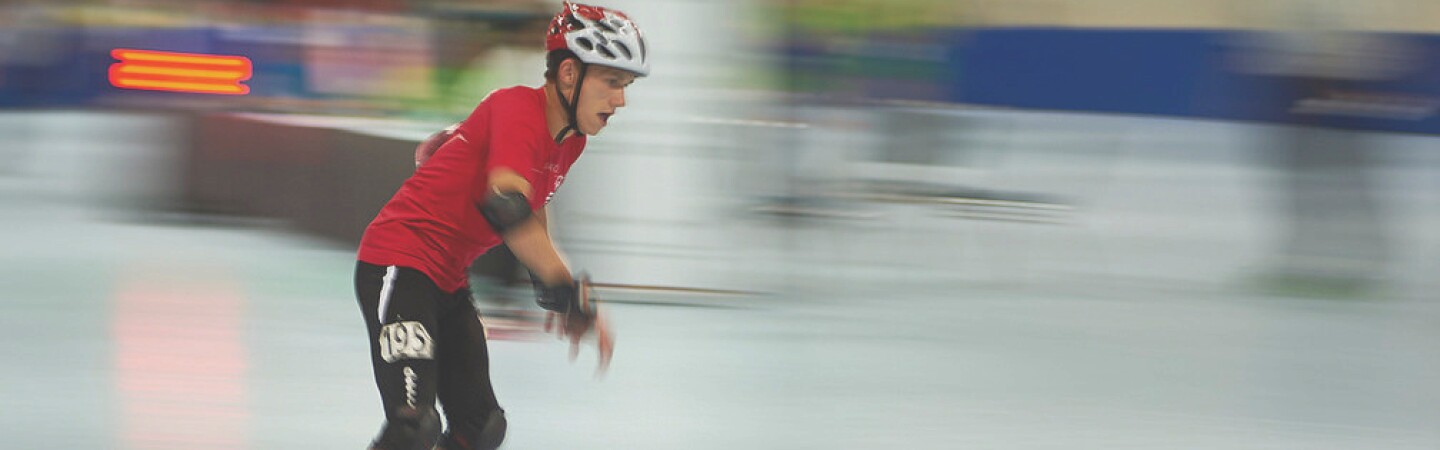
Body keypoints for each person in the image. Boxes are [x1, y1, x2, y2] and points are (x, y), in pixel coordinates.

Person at [353, 3, 647, 449]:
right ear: (569, 74)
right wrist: (567, 291)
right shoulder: (517, 106)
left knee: (482, 427)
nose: (620, 100)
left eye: (624, 86)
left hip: (447, 280)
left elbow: (532, 208)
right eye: (612, 82)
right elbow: (506, 205)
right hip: (399, 265)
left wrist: (561, 295)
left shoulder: (571, 141)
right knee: (413, 426)